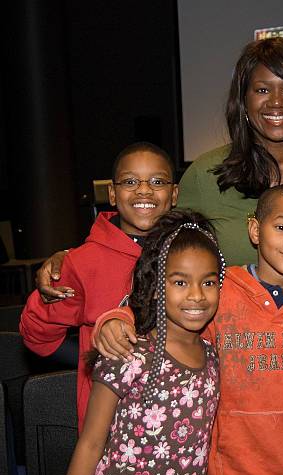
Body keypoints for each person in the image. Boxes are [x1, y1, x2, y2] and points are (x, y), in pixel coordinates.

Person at [37, 37, 283, 307]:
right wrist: (73, 258)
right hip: (233, 357)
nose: (276, 102)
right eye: (262, 90)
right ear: (244, 101)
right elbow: (151, 243)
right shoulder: (207, 175)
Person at [92, 185, 283, 475]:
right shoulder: (217, 293)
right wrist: (118, 318)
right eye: (282, 227)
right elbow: (162, 311)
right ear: (255, 230)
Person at [57, 209, 224, 475]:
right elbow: (91, 445)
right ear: (157, 285)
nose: (196, 296)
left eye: (209, 282)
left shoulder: (212, 357)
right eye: (179, 281)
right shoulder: (127, 353)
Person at [19, 142, 178, 431]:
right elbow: (37, 335)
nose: (144, 190)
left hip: (183, 417)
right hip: (111, 429)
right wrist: (91, 357)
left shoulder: (190, 254)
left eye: (157, 181)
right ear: (113, 195)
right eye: (131, 182)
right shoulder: (83, 262)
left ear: (174, 193)